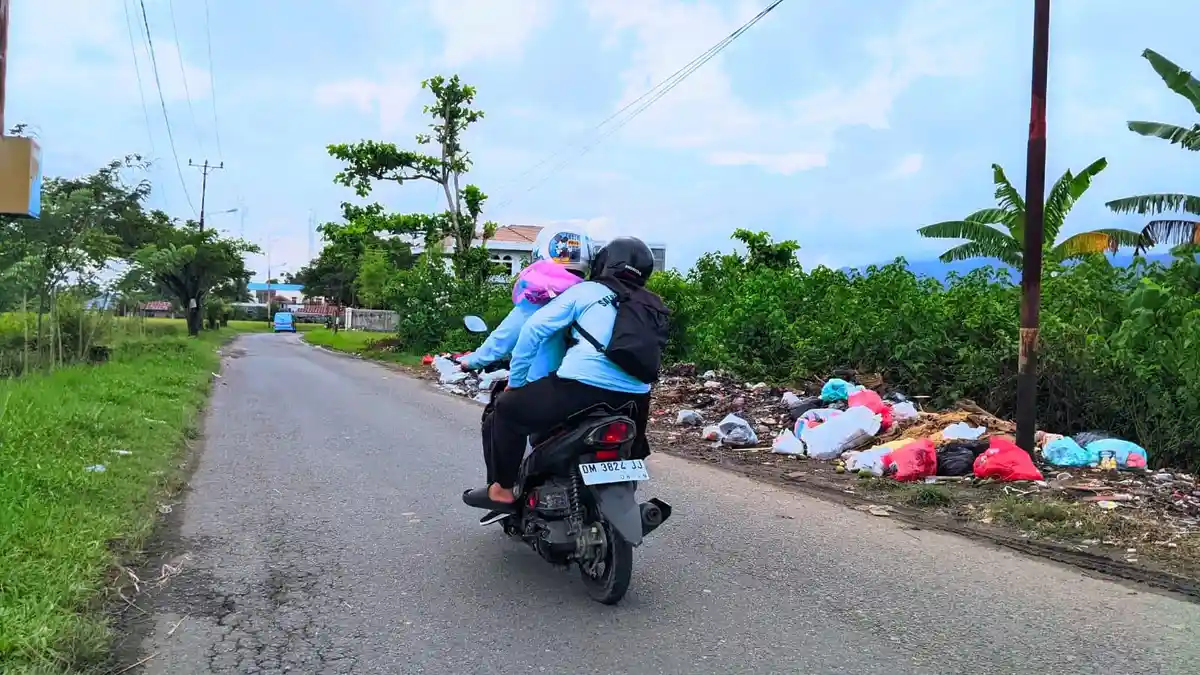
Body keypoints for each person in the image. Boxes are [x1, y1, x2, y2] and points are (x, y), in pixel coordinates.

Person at [464, 236, 666, 508]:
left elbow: (533, 330)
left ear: (604, 263)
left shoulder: (587, 291)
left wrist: (517, 381)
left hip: (580, 389)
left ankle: (502, 490)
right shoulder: (655, 305)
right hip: (637, 399)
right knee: (633, 449)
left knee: (507, 409)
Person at [457, 230, 593, 484]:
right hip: (596, 388)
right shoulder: (593, 296)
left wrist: (471, 360)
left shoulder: (538, 296)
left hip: (547, 386)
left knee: (500, 415)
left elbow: (503, 340)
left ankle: (502, 488)